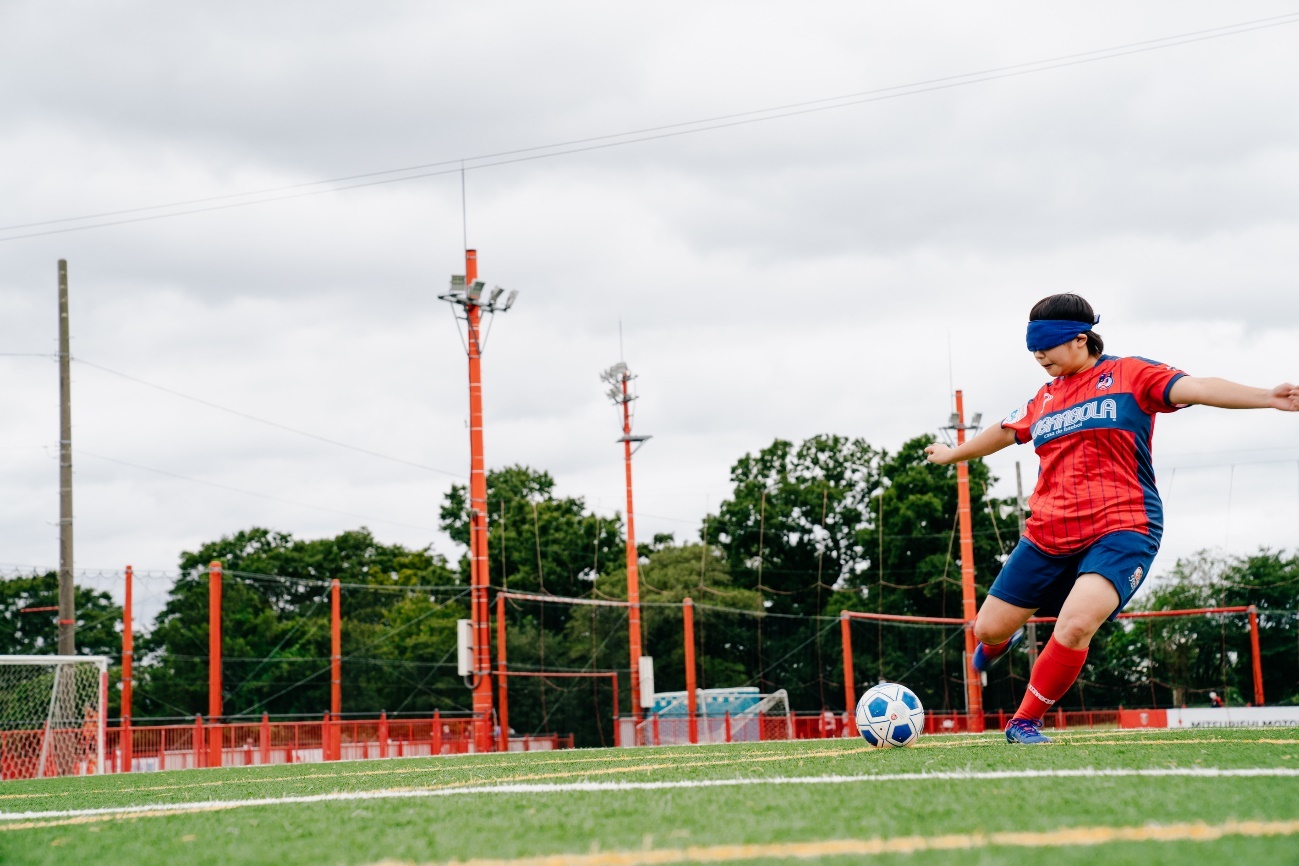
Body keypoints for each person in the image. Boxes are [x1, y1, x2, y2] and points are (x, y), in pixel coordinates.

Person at [924, 293, 1298, 744]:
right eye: (1032, 349)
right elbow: (1002, 433)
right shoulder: (1043, 399)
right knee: (987, 628)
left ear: (1081, 340)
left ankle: (1023, 721)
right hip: (1049, 534)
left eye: (1047, 346)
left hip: (1123, 526)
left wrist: (1268, 397)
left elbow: (1198, 387)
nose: (1038, 356)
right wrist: (953, 454)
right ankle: (1003, 640)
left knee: (1077, 623)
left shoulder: (1132, 375)